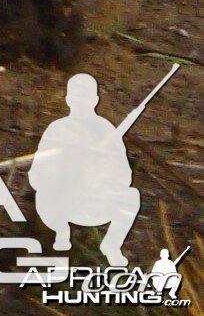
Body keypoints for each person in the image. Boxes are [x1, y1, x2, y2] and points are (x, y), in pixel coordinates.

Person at [31, 72, 144, 266]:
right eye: (76, 95)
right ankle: (60, 232)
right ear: (67, 99)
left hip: (95, 201)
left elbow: (124, 175)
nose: (80, 101)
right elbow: (37, 173)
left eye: (85, 96)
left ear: (95, 100)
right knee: (45, 199)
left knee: (131, 197)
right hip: (61, 202)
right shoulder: (57, 129)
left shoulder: (106, 130)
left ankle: (111, 245)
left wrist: (102, 170)